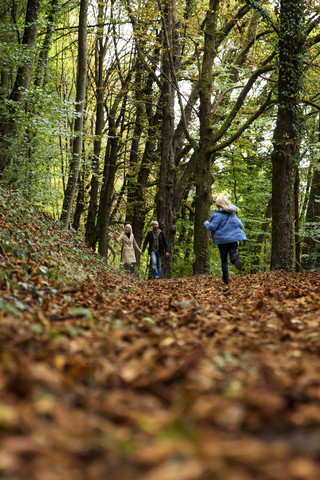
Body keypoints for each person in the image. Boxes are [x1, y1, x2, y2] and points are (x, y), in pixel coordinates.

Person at [204, 195, 246, 285]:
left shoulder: (217, 215)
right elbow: (241, 225)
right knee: (232, 255)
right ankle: (234, 259)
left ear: (217, 204)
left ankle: (226, 279)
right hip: (233, 239)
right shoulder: (232, 214)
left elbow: (212, 227)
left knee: (224, 260)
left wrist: (206, 223)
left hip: (222, 240)